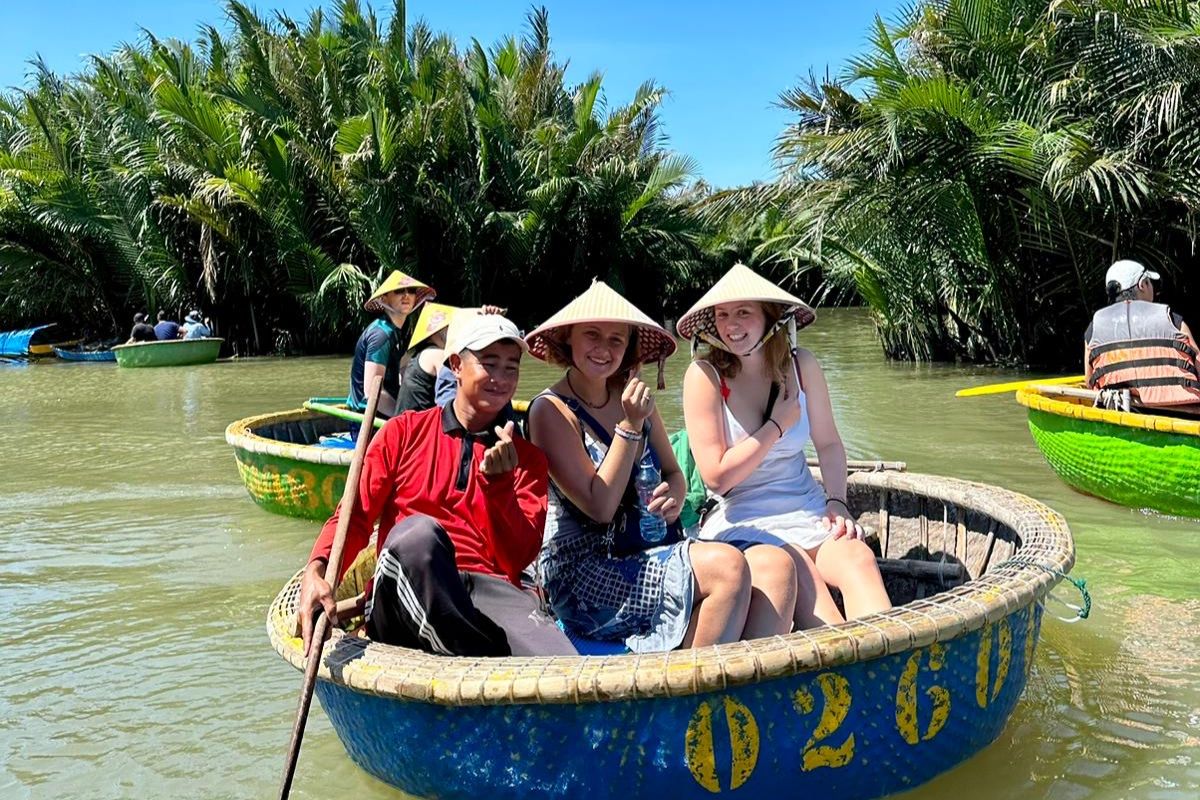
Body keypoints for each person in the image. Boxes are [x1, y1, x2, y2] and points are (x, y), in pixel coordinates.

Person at [526, 281, 798, 652]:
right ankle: (692, 694)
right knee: (727, 568)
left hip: (652, 544)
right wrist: (630, 425)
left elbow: (674, 474)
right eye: (592, 335)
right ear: (567, 339)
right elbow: (600, 507)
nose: (604, 349)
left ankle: (739, 695)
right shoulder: (551, 411)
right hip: (585, 573)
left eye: (617, 340)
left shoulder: (633, 395)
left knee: (776, 567)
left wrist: (673, 496)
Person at [299, 312, 575, 658]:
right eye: (489, 363)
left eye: (511, 368)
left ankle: (480, 654)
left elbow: (517, 559)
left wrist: (500, 486)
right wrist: (317, 571)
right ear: (457, 365)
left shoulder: (526, 458)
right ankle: (485, 658)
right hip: (406, 581)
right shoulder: (402, 433)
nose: (501, 378)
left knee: (562, 666)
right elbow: (353, 519)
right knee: (419, 536)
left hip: (489, 590)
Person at [679, 263, 892, 628]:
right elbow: (717, 478)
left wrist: (837, 502)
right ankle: (848, 670)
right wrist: (777, 426)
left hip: (806, 507)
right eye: (723, 314)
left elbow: (828, 445)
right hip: (745, 519)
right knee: (807, 580)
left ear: (770, 317)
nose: (731, 325)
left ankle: (893, 667)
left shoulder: (801, 364)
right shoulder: (704, 376)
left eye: (743, 313)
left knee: (859, 557)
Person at [1084, 259, 1200, 411]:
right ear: (1142, 284)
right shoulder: (1172, 319)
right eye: (1150, 282)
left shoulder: (1093, 329)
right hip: (1182, 412)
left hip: (1122, 411)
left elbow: (1089, 381)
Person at [347, 270, 435, 419]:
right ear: (385, 299)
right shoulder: (381, 335)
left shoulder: (396, 332)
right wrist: (402, 418)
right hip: (368, 420)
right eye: (399, 291)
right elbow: (372, 392)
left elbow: (403, 368)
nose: (406, 295)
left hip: (386, 412)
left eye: (411, 291)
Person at [399, 304, 504, 413]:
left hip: (407, 417)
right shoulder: (437, 355)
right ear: (435, 332)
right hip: (418, 423)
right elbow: (449, 392)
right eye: (447, 326)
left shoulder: (418, 353)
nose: (452, 330)